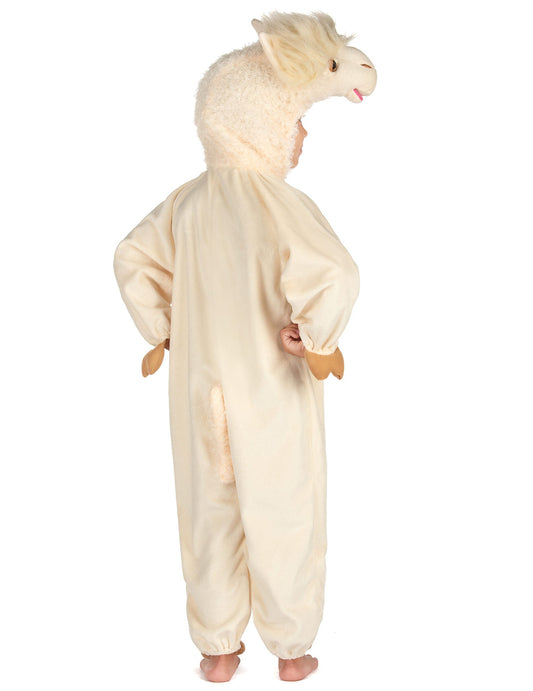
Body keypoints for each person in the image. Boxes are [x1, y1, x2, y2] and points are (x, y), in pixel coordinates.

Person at [113, 11, 376, 683]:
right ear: (262, 123)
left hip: (200, 391)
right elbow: (336, 273)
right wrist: (314, 337)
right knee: (284, 507)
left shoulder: (186, 203)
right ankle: (291, 648)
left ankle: (218, 648)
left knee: (209, 510)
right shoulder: (278, 202)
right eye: (296, 121)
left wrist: (163, 328)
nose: (303, 135)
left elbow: (132, 258)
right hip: (270, 388)